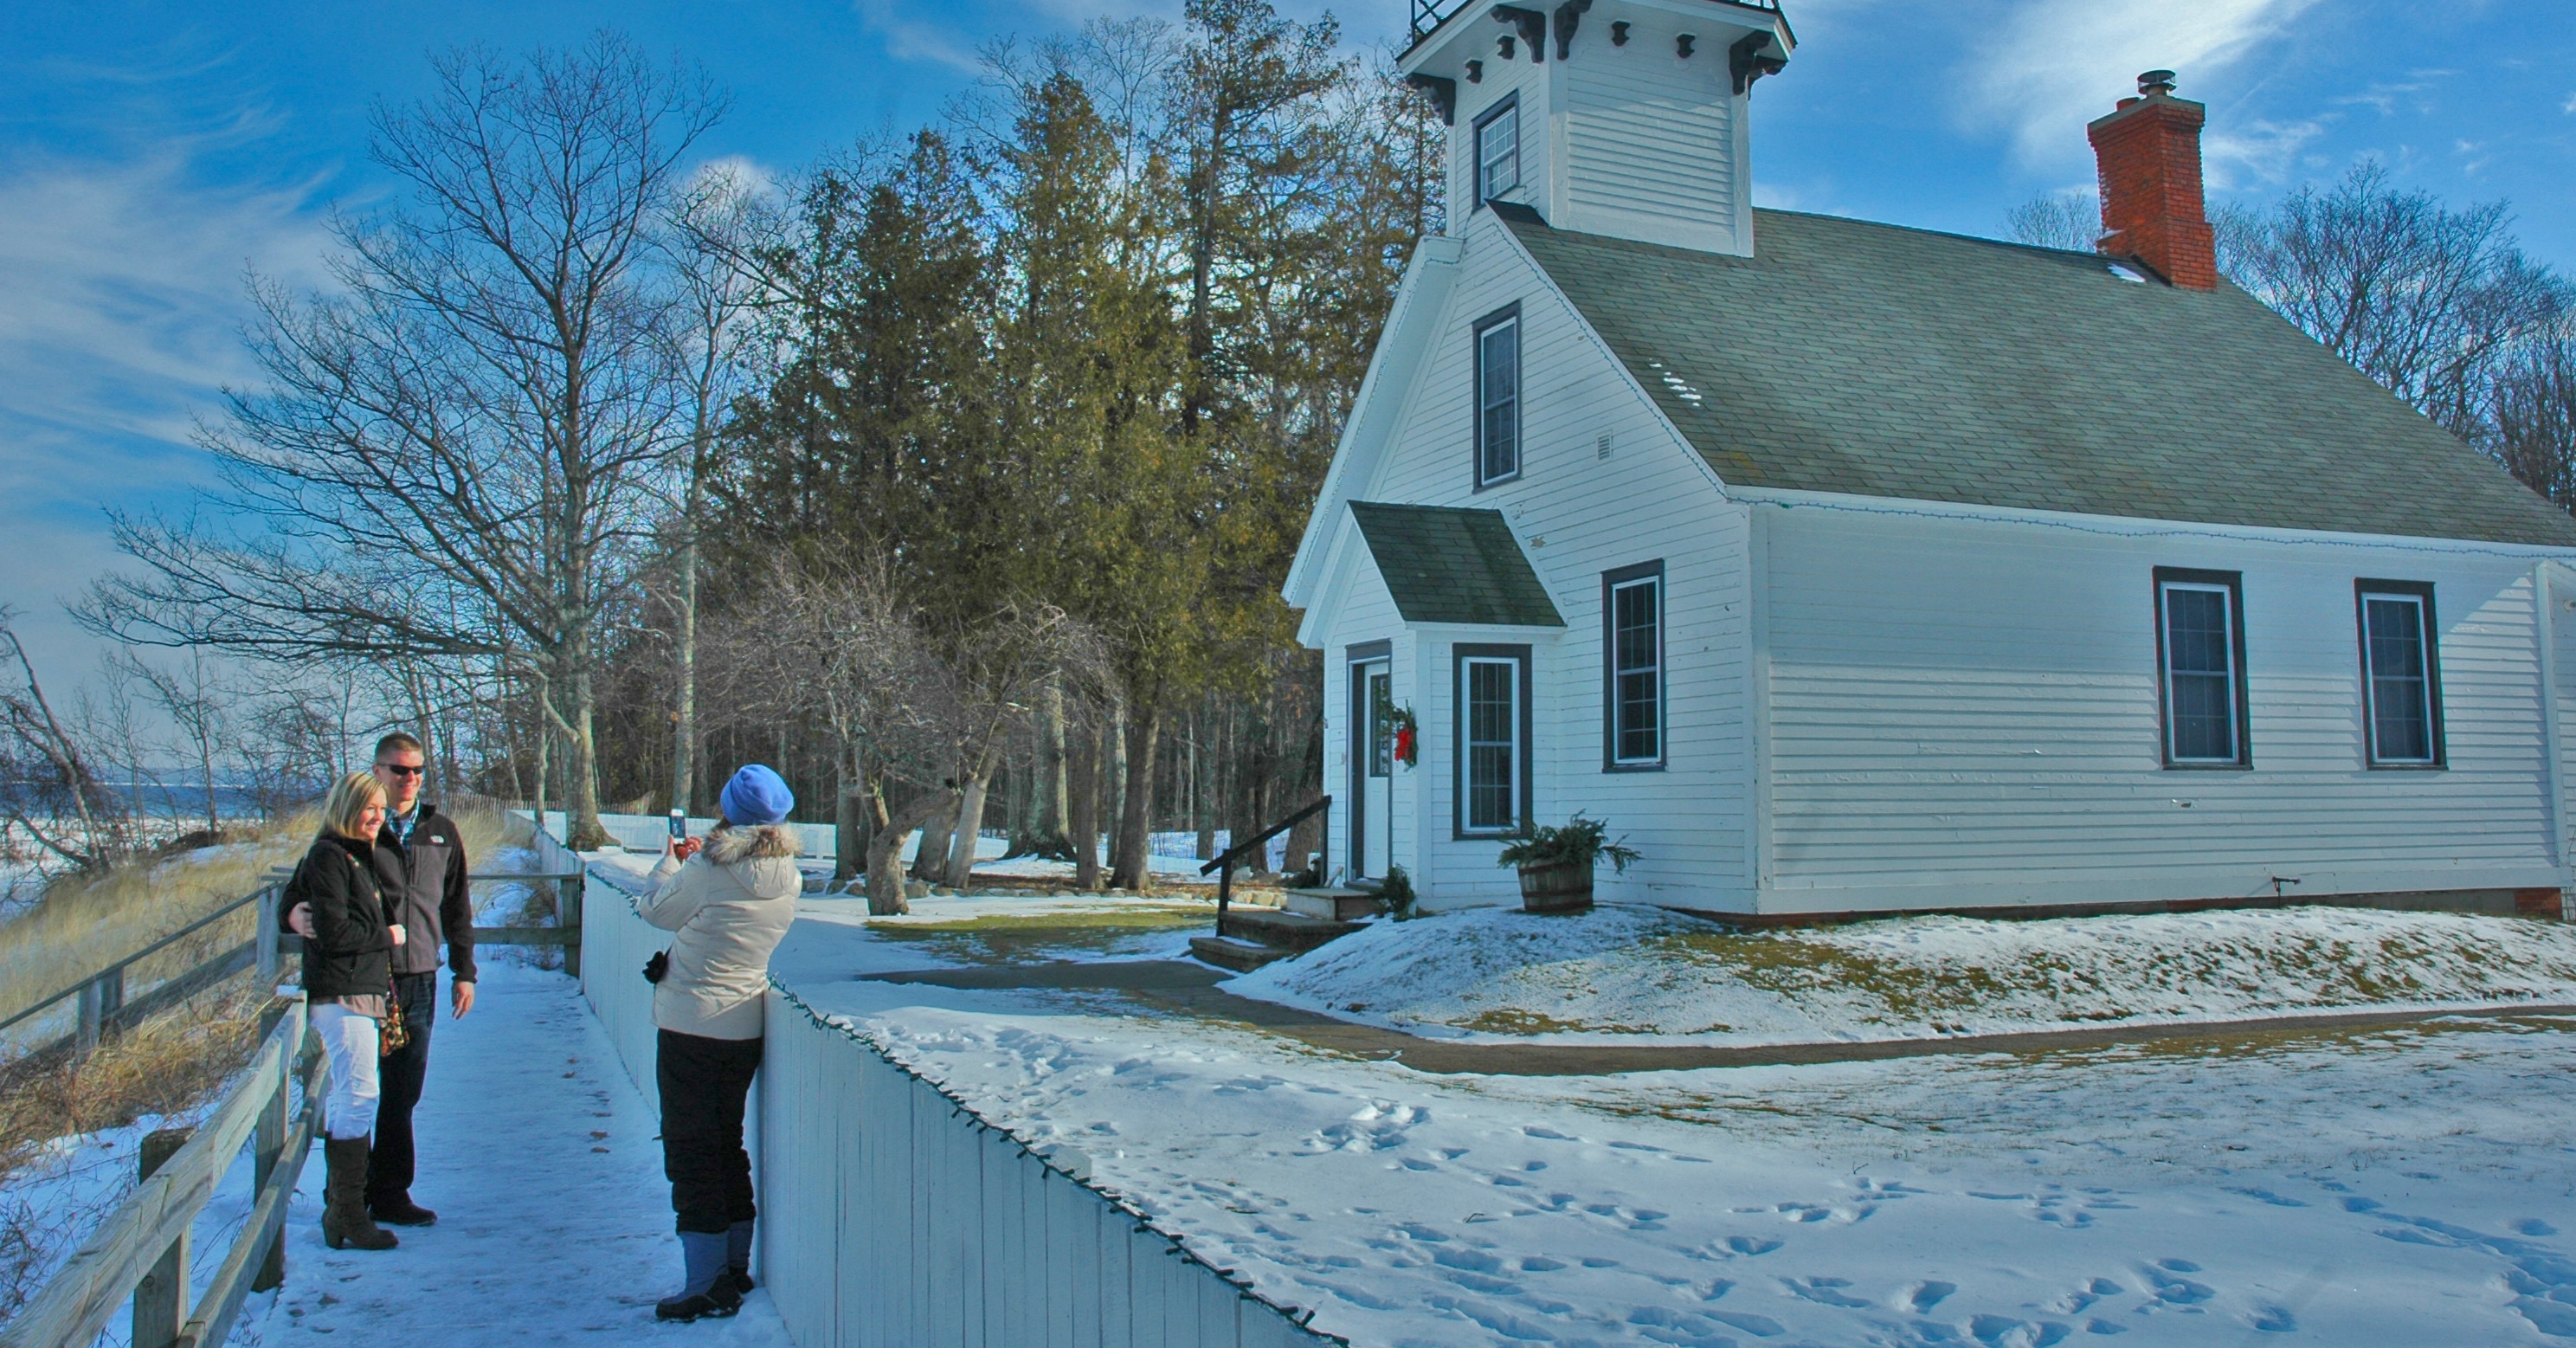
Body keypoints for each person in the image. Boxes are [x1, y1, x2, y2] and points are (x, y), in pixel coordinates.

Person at [288, 732, 476, 1228]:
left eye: (417, 770)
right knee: (357, 1088)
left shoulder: (440, 831)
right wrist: (293, 917)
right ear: (377, 770)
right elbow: (301, 890)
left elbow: (457, 905)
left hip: (418, 976)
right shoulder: (357, 833)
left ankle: (390, 1192)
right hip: (365, 978)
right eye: (398, 770)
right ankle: (345, 1198)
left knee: (402, 1092)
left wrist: (465, 970)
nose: (408, 779)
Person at [641, 764, 801, 1322]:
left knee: (690, 1152)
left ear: (729, 810)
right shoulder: (788, 870)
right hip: (743, 1023)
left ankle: (702, 1284)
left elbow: (656, 911)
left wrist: (670, 862)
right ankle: (733, 1267)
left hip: (691, 1023)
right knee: (726, 1144)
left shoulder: (710, 866)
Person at [287, 771, 406, 1252]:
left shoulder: (358, 854)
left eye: (381, 809)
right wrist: (388, 937)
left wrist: (289, 910)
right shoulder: (330, 854)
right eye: (368, 809)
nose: (377, 818)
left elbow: (295, 900)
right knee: (359, 1096)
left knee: (357, 1096)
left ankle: (343, 1212)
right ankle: (348, 1213)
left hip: (362, 990)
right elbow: (334, 932)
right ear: (346, 807)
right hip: (342, 993)